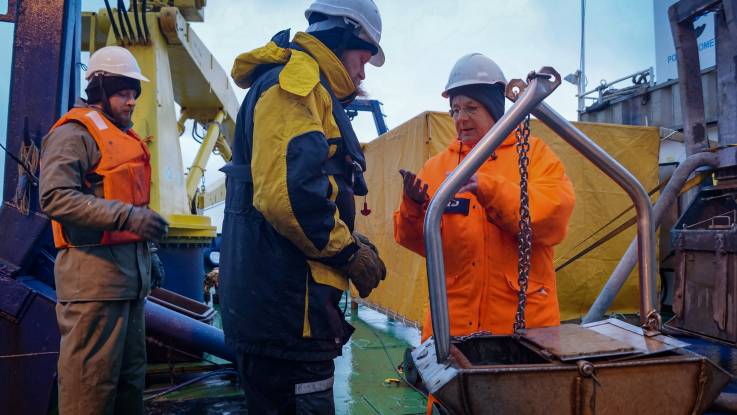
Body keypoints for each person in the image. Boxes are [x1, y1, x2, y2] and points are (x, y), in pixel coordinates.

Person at [219, 0, 387, 413]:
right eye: (363, 59)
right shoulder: (295, 85)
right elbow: (288, 197)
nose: (362, 73)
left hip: (283, 308)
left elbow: (303, 186)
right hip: (289, 314)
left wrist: (350, 236)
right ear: (344, 35)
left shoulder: (306, 87)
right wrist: (348, 253)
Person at [395, 52, 575, 341]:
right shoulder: (438, 167)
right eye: (454, 110)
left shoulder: (534, 155)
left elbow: (551, 220)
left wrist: (488, 189)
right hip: (450, 328)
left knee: (525, 388)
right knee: (450, 387)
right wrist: (413, 208)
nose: (460, 118)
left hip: (522, 331)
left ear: (493, 108)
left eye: (471, 108)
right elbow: (416, 241)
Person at [40, 46, 169, 414]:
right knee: (89, 393)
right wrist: (127, 217)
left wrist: (151, 254)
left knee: (129, 389)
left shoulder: (119, 136)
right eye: (123, 93)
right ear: (99, 90)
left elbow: (132, 205)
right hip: (93, 288)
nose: (131, 102)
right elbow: (55, 197)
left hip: (127, 286)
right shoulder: (75, 134)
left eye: (134, 94)